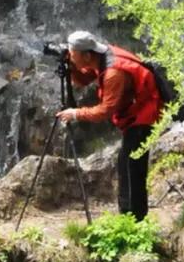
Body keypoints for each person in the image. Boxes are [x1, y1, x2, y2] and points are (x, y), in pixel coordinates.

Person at [54, 29, 162, 220]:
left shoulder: (114, 73)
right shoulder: (102, 56)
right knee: (126, 164)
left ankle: (133, 221)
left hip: (145, 115)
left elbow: (105, 111)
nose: (70, 56)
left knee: (131, 167)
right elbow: (84, 79)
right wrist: (71, 68)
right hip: (136, 112)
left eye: (72, 54)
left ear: (86, 55)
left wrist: (76, 113)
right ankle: (131, 218)